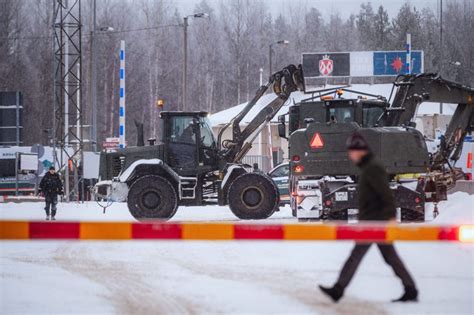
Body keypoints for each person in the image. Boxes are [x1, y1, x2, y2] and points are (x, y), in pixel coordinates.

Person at [319, 132, 418, 303]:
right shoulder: (368, 167)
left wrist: (391, 217)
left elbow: (385, 193)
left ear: (359, 151)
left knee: (356, 256)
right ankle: (410, 288)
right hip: (373, 220)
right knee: (389, 257)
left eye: (351, 152)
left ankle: (338, 289)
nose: (350, 155)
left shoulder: (373, 167)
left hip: (375, 222)